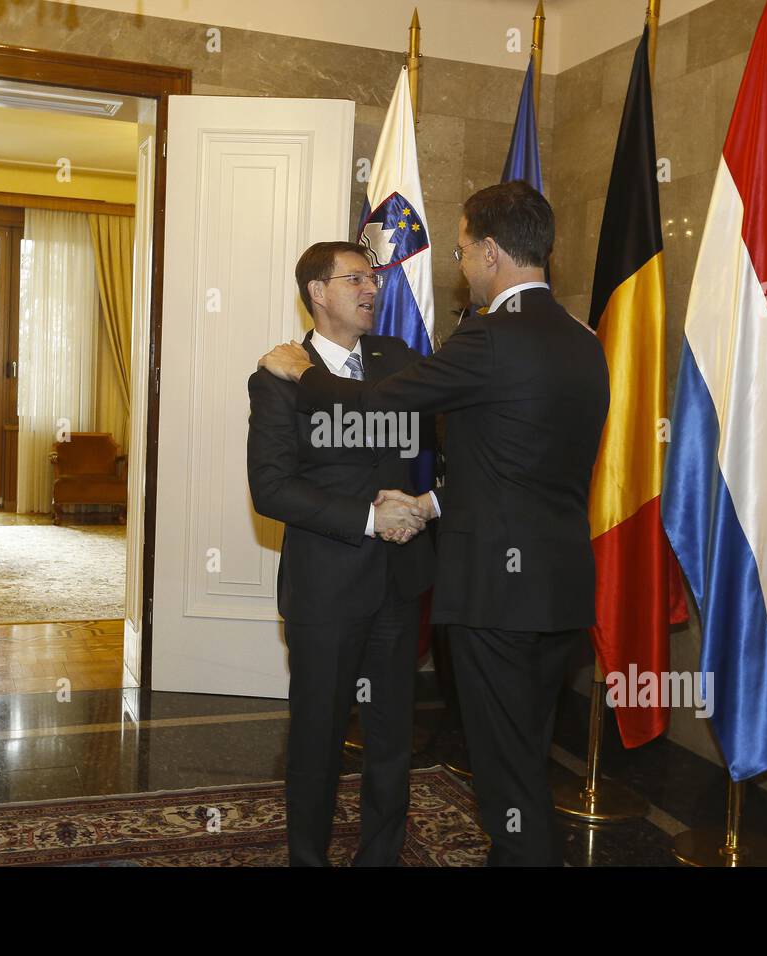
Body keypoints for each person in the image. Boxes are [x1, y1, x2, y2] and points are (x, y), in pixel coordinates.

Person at [259, 181, 610, 866]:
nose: (459, 265)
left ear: (489, 250)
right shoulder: (584, 340)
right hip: (561, 590)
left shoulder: (490, 337)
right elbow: (515, 463)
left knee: (504, 776)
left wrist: (301, 375)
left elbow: (383, 401)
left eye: (460, 250)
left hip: (496, 596)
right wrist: (430, 504)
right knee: (525, 757)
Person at [247, 240, 436, 866]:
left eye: (373, 278)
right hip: (327, 590)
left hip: (399, 582)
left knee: (391, 738)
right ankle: (309, 858)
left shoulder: (398, 359)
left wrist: (419, 506)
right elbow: (272, 488)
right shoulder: (277, 375)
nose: (371, 289)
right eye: (354, 278)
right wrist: (368, 519)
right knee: (318, 738)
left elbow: (417, 436)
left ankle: (381, 857)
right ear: (317, 292)